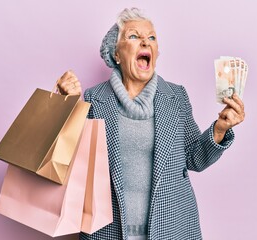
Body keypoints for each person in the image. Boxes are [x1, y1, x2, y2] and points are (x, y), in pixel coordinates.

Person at [57, 7, 245, 240]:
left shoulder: (176, 98)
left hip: (172, 229)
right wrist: (64, 102)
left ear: (156, 52)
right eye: (134, 36)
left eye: (152, 38)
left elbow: (194, 158)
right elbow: (68, 160)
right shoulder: (94, 99)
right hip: (107, 232)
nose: (145, 42)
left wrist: (219, 130)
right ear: (116, 53)